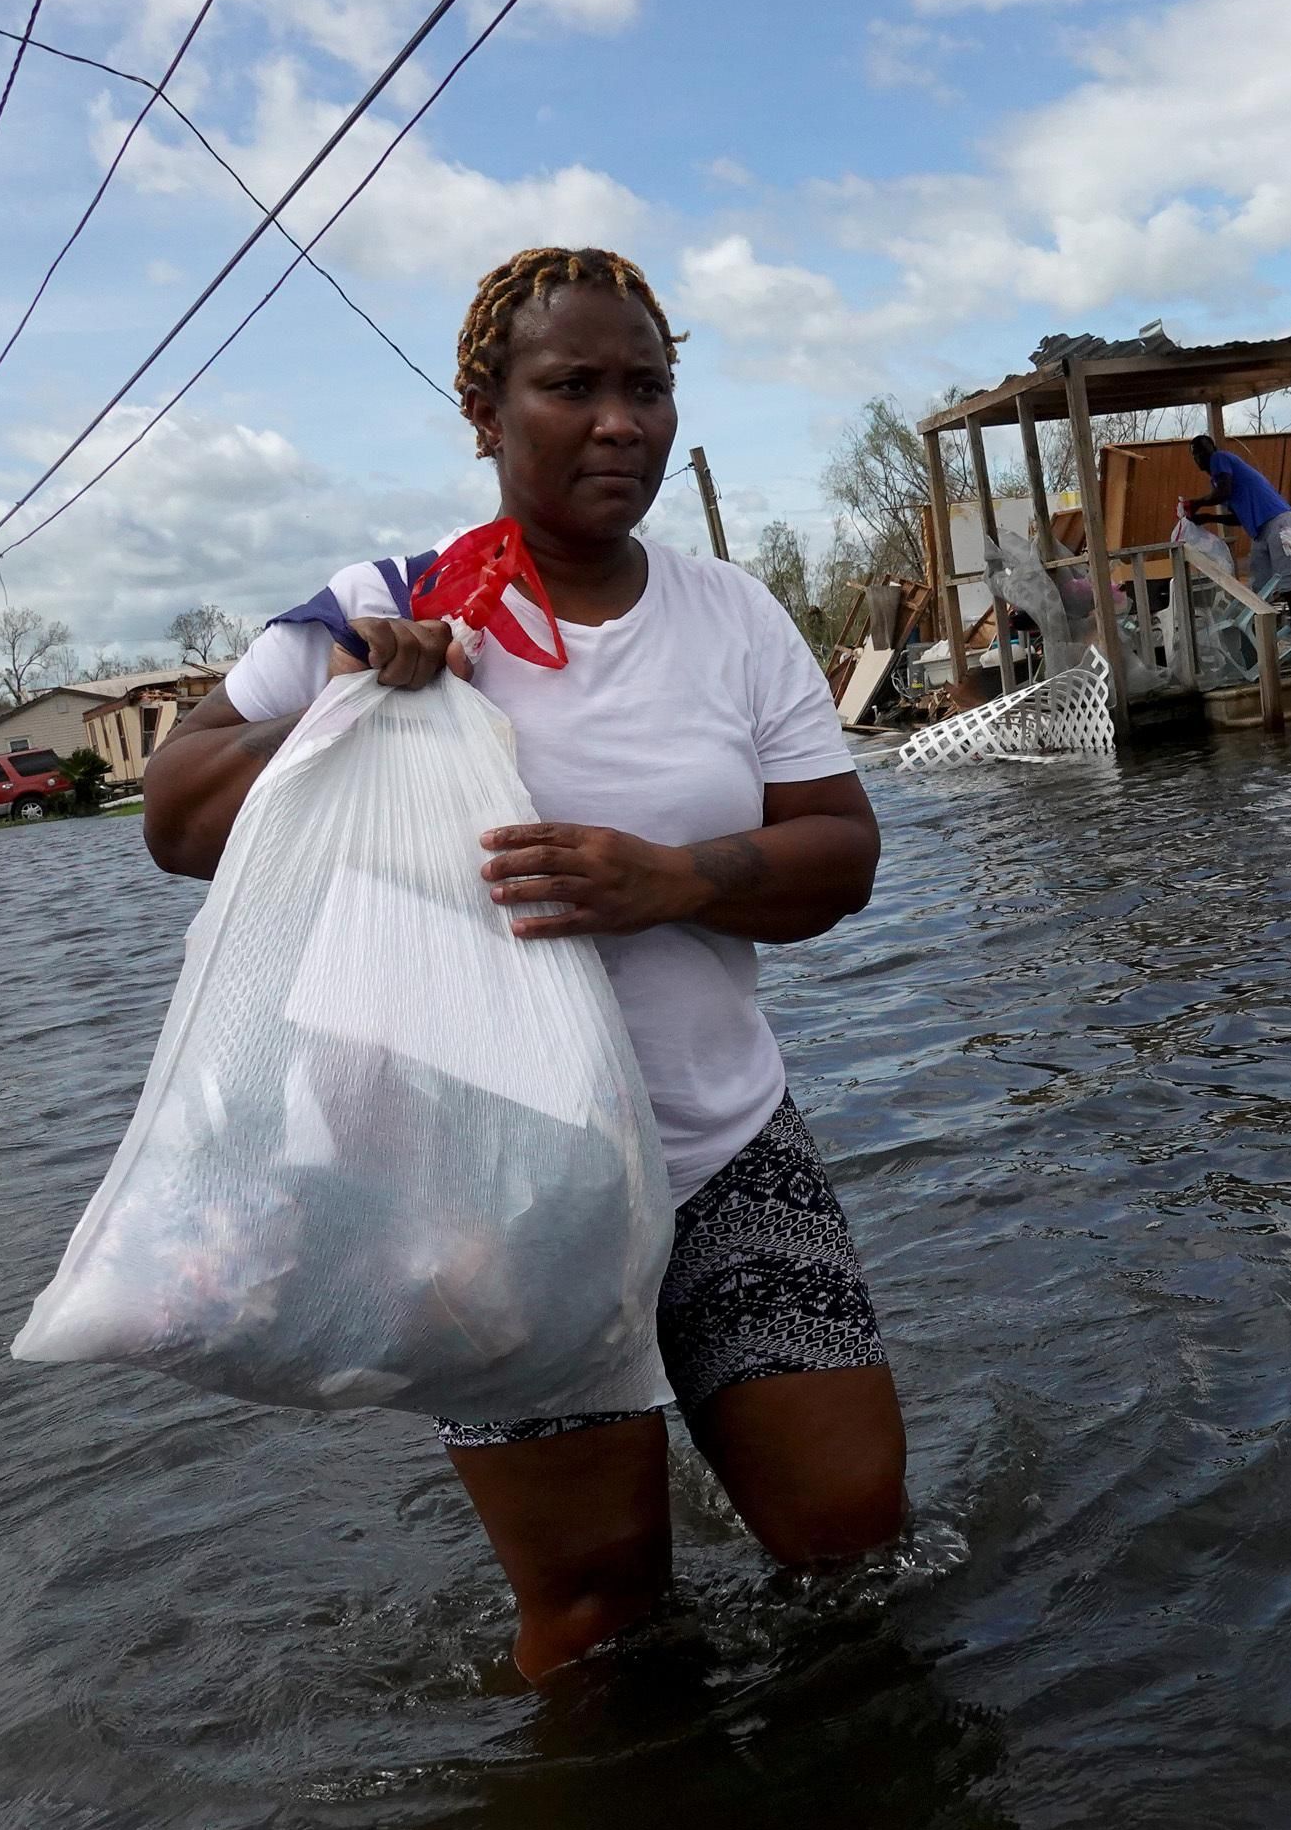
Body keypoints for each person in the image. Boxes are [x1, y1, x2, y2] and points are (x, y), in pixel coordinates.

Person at [142, 245, 904, 1684]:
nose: (621, 422)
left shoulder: (733, 619)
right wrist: (353, 703)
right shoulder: (388, 602)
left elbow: (843, 854)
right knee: (597, 1615)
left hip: (725, 1144)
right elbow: (176, 821)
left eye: (649, 387)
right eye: (572, 387)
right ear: (483, 412)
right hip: (481, 1183)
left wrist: (672, 879)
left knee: (852, 1532)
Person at [1187, 432, 1291, 645]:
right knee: (1260, 589)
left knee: (1287, 582)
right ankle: (1267, 643)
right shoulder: (1219, 481)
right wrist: (1208, 517)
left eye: (1201, 451)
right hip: (1261, 530)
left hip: (1278, 522)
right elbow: (1237, 516)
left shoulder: (1221, 459)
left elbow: (1224, 492)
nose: (1199, 457)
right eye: (1195, 454)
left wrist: (1197, 503)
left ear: (1211, 451)